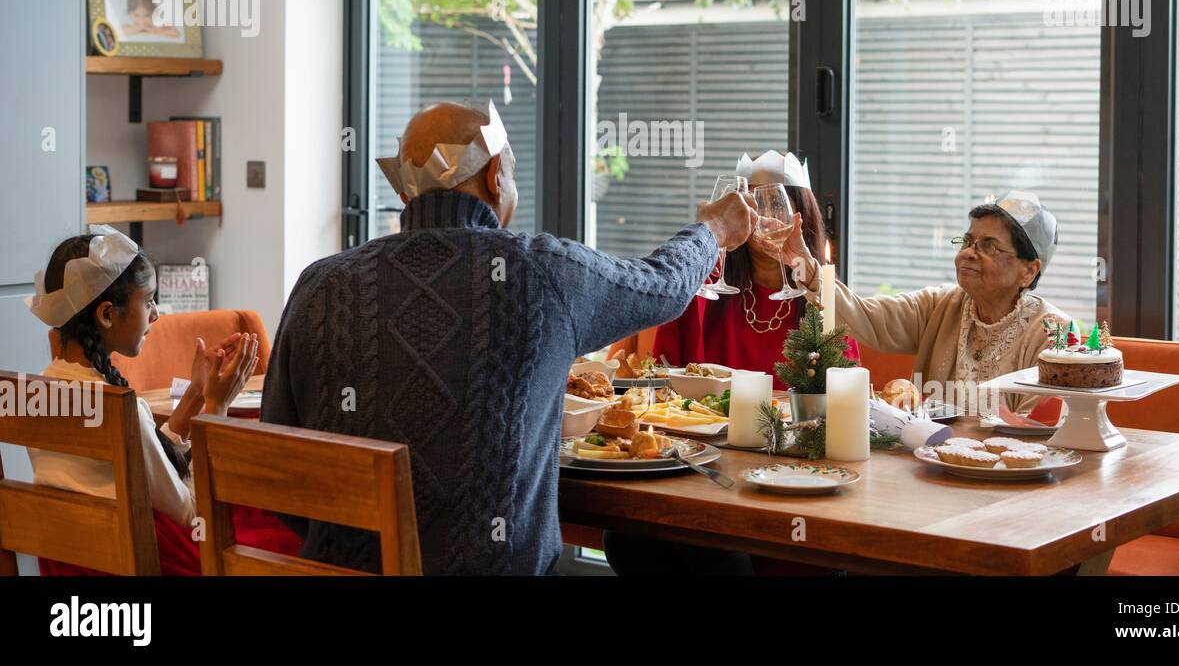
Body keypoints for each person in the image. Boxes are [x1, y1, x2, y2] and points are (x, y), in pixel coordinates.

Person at [261, 100, 758, 575]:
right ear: (496, 175)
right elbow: (661, 286)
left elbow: (279, 470)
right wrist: (711, 229)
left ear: (404, 192)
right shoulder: (541, 272)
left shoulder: (319, 284)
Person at [25, 227, 298, 575]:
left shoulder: (37, 392)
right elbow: (193, 513)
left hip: (74, 561)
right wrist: (217, 408)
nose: (156, 313)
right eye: (148, 299)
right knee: (284, 526)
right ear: (107, 314)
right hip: (147, 561)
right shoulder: (117, 407)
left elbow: (140, 465)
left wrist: (196, 395)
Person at [768, 189, 1068, 414]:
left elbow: (1040, 430)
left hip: (1007, 482)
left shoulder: (1053, 335)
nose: (968, 253)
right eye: (967, 242)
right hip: (928, 466)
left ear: (1028, 271)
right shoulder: (939, 305)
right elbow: (864, 316)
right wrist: (803, 264)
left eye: (989, 247)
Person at [638, 150, 858, 386]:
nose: (765, 218)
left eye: (776, 205)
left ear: (801, 216)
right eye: (753, 205)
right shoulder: (701, 285)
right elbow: (661, 375)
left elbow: (847, 386)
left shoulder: (824, 297)